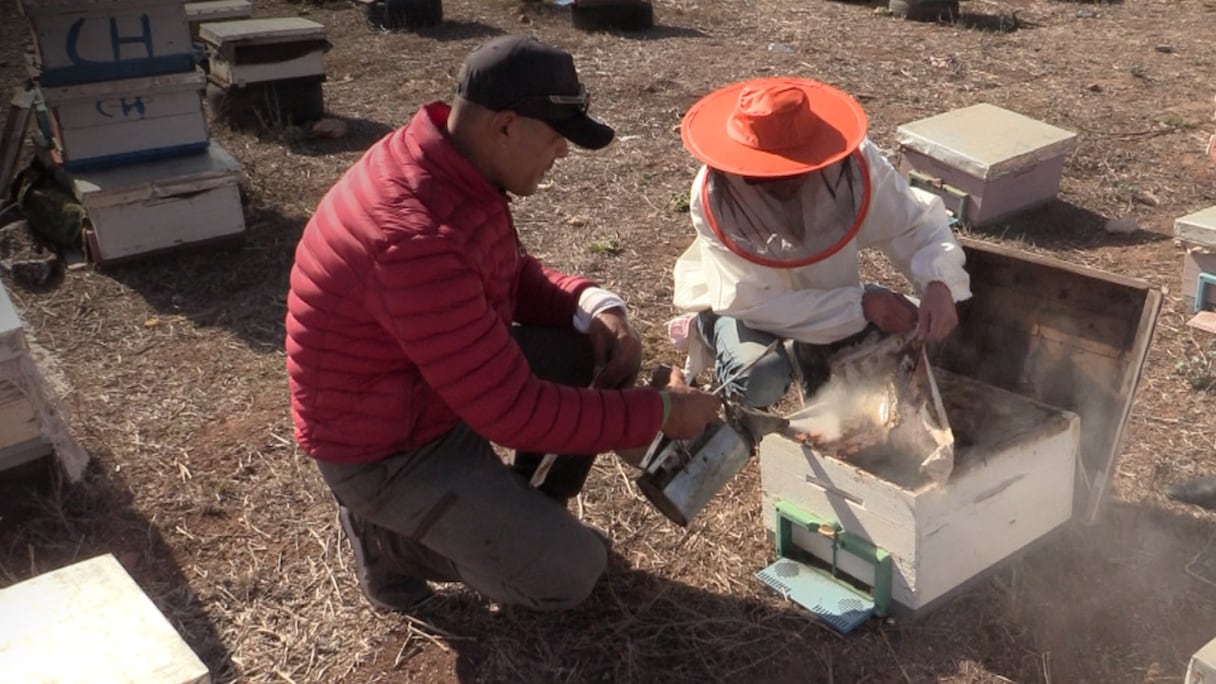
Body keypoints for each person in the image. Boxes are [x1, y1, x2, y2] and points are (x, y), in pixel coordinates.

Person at [285, 35, 722, 614]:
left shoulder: (449, 162)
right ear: (507, 125)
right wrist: (662, 414)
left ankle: (518, 512)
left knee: (595, 347)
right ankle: (387, 539)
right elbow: (513, 412)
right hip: (389, 450)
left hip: (428, 392)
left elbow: (505, 273)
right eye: (556, 136)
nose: (562, 152)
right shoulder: (410, 236)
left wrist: (592, 303)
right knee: (571, 573)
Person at [670, 77, 973, 407]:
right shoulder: (714, 195)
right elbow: (750, 301)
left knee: (917, 332)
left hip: (831, 295)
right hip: (742, 308)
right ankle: (709, 328)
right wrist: (861, 305)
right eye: (766, 175)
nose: (783, 185)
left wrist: (939, 282)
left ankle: (813, 354)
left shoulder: (855, 165)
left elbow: (915, 223)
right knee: (760, 378)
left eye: (794, 171)